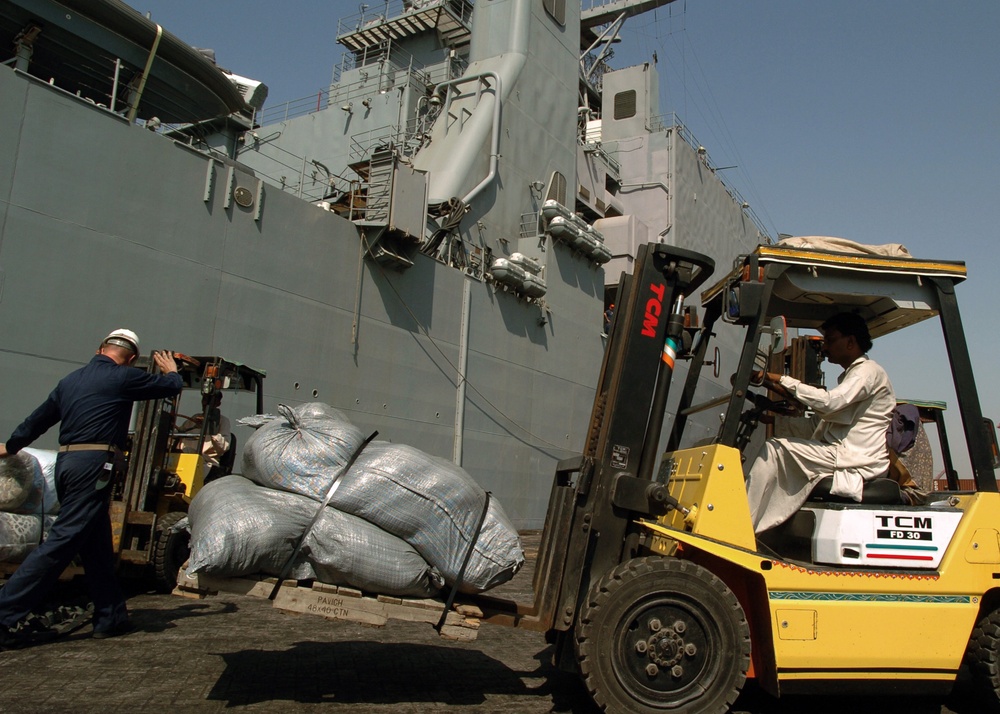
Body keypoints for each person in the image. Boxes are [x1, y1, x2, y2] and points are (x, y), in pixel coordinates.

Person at [0, 329, 182, 648]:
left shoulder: (70, 381)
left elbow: (38, 419)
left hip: (66, 464)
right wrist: (172, 372)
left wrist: (13, 445)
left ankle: (110, 616)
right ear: (128, 359)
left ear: (100, 348)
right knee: (64, 540)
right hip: (95, 465)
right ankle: (3, 613)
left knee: (96, 544)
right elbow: (169, 387)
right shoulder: (123, 378)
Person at [744, 312, 896, 533]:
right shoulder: (851, 378)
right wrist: (769, 420)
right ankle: (760, 527)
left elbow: (829, 403)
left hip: (855, 459)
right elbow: (815, 425)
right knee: (778, 446)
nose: (825, 348)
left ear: (851, 342)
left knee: (775, 450)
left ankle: (740, 529)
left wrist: (781, 378)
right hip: (840, 454)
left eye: (831, 340)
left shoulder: (867, 372)